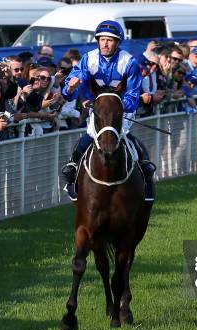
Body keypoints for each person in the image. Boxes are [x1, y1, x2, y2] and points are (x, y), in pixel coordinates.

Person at [60, 20, 156, 201]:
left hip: (121, 110)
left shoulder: (129, 62)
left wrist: (114, 106)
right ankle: (72, 168)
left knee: (121, 134)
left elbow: (133, 96)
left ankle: (145, 171)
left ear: (118, 42)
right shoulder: (88, 59)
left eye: (110, 40)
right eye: (102, 39)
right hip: (97, 110)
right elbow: (69, 92)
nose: (105, 43)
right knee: (92, 133)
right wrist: (71, 88)